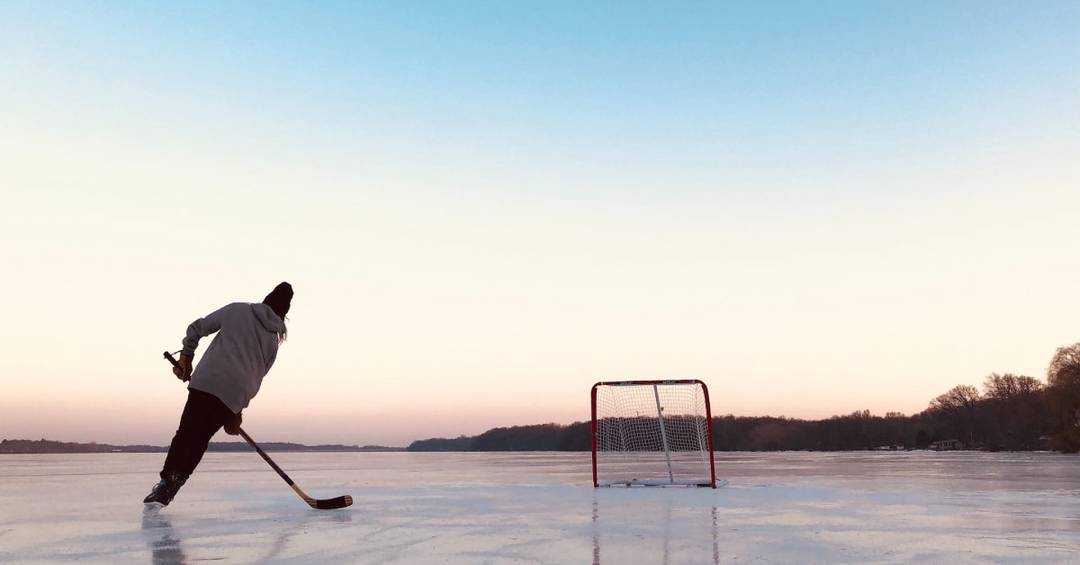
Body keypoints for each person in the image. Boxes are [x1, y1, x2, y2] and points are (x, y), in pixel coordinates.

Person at [144, 282, 293, 507]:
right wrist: (237, 411)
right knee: (200, 438)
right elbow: (256, 377)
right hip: (234, 396)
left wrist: (187, 356)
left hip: (208, 380)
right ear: (283, 314)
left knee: (186, 433)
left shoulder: (237, 310)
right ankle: (176, 481)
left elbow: (197, 328)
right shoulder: (273, 341)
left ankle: (167, 483)